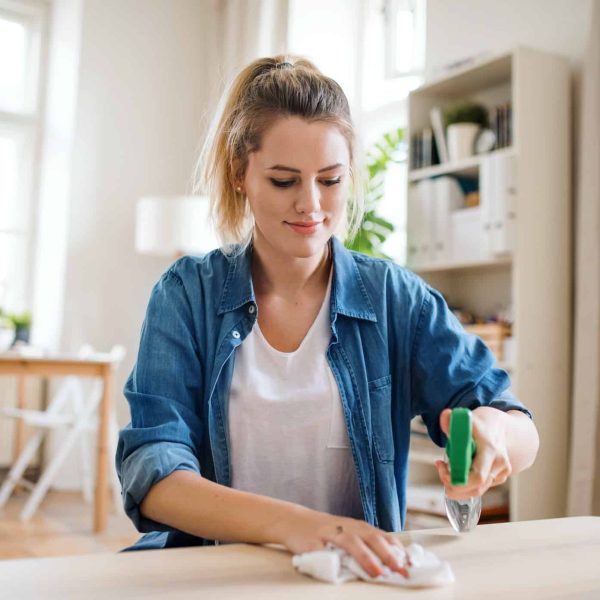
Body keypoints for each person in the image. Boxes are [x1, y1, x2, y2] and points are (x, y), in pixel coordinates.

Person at [116, 55, 539, 577]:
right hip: (214, 577)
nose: (311, 205)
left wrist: (495, 434)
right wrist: (301, 527)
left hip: (353, 581)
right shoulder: (186, 296)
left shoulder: (394, 299)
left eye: (331, 179)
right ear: (240, 174)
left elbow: (516, 423)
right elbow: (153, 474)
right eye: (283, 181)